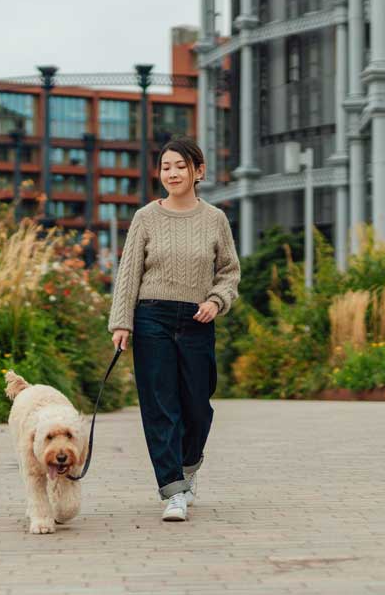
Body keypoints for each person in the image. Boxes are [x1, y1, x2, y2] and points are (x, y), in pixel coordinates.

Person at [107, 136, 240, 522]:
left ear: (198, 171)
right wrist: (122, 321)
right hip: (152, 318)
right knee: (160, 406)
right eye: (166, 166)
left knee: (198, 407)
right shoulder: (145, 217)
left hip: (198, 319)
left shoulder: (215, 219)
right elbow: (129, 270)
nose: (172, 173)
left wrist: (216, 301)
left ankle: (188, 465)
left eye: (180, 166)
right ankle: (173, 489)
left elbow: (229, 272)